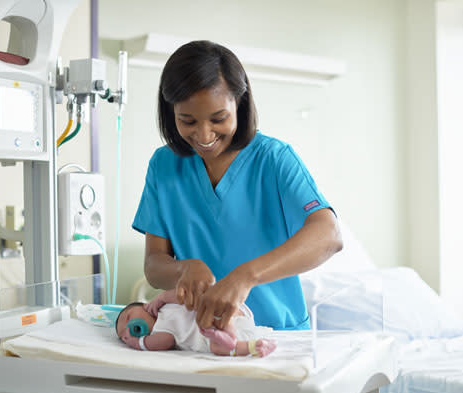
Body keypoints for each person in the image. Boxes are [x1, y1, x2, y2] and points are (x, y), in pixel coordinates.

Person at [132, 40, 342, 332]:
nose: (204, 135)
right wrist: (183, 269)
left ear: (239, 104)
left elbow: (329, 234)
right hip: (203, 337)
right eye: (187, 121)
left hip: (280, 338)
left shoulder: (274, 159)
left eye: (218, 118)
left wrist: (245, 276)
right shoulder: (164, 166)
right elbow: (154, 266)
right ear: (171, 113)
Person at [115, 289, 277, 357]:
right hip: (213, 336)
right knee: (217, 347)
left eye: (128, 317)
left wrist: (162, 297)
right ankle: (253, 346)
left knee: (210, 304)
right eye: (124, 336)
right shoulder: (157, 333)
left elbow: (183, 295)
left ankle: (227, 334)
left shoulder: (163, 305)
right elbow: (167, 341)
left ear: (144, 306)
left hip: (228, 311)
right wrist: (140, 343)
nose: (128, 329)